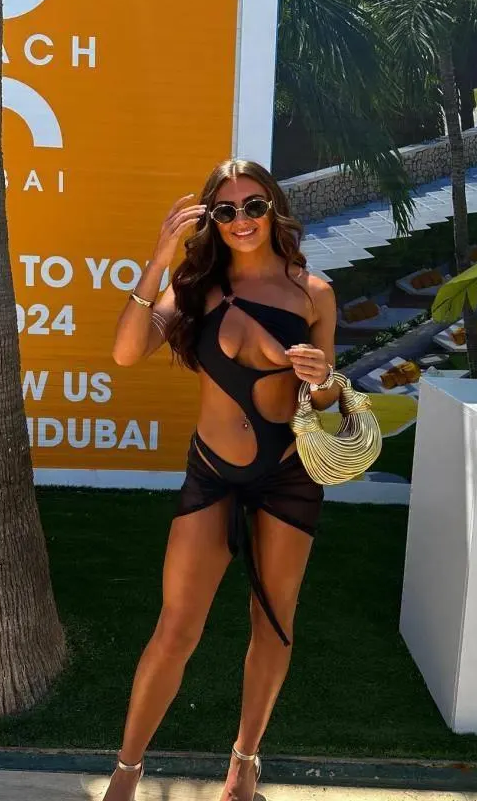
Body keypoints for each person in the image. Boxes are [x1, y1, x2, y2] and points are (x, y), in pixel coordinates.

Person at [106, 159, 339, 801]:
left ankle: (244, 763)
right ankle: (126, 772)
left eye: (253, 206)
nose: (242, 220)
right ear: (211, 219)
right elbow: (126, 352)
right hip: (213, 474)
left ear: (274, 209)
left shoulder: (313, 294)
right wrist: (159, 259)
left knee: (273, 623)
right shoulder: (194, 289)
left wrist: (321, 378)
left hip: (288, 476)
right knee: (176, 629)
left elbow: (325, 403)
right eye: (226, 210)